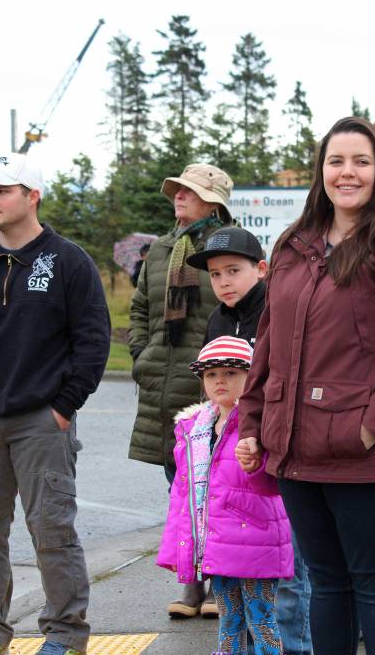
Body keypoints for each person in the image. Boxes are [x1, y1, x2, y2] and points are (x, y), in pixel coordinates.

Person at [237, 117, 375, 654]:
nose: (347, 172)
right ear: (321, 170)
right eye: (336, 161)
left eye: (361, 160)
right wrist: (252, 423)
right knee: (326, 583)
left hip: (367, 450)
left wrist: (372, 424)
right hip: (295, 445)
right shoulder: (295, 244)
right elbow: (269, 342)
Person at [0, 152, 111, 655]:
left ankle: (64, 633)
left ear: (32, 196)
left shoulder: (68, 262)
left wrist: (63, 406)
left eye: (4, 189)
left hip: (40, 421)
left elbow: (93, 341)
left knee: (53, 532)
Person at [187, 227, 313, 655]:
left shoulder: (279, 309)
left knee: (290, 569)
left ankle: (294, 646)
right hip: (234, 467)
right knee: (237, 577)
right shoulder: (217, 320)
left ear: (261, 269)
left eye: (233, 271)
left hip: (279, 453)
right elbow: (212, 394)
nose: (223, 282)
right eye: (215, 274)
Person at [127, 163, 235, 618]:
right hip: (164, 389)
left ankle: (218, 583)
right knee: (181, 490)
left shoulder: (231, 248)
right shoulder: (161, 251)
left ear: (214, 202)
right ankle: (190, 582)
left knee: (220, 488)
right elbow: (139, 309)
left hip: (214, 388)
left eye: (189, 191)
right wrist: (143, 355)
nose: (179, 197)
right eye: (177, 190)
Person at [157, 336, 293, 655]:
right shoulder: (195, 429)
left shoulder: (261, 424)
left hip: (256, 543)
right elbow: (184, 496)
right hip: (216, 545)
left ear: (252, 378)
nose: (220, 380)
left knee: (262, 623)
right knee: (229, 622)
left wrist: (257, 456)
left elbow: (272, 483)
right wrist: (176, 548)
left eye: (231, 373)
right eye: (211, 374)